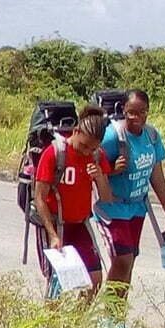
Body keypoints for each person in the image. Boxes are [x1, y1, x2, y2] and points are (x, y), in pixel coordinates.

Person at [94, 90, 165, 328]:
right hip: (112, 210)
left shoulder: (151, 136)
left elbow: (157, 177)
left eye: (141, 112)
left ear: (147, 112)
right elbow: (93, 164)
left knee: (128, 266)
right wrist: (111, 169)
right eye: (131, 112)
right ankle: (107, 324)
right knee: (122, 261)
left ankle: (117, 323)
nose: (136, 117)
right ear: (123, 110)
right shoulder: (112, 136)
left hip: (137, 210)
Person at [34, 105, 113, 301]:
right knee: (57, 284)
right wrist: (52, 235)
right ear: (76, 131)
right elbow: (40, 198)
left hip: (80, 225)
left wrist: (100, 177)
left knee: (95, 280)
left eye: (92, 148)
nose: (87, 152)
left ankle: (77, 319)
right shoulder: (54, 153)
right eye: (84, 146)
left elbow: (106, 198)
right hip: (55, 224)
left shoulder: (97, 156)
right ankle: (52, 321)